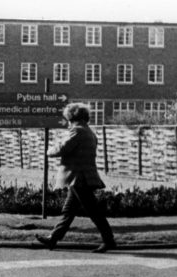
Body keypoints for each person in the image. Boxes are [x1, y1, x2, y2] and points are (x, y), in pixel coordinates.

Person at [36, 103, 117, 253]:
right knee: (69, 211)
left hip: (79, 177)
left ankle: (109, 240)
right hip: (83, 176)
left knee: (94, 212)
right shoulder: (89, 131)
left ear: (71, 117)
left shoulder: (77, 131)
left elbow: (63, 148)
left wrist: (48, 151)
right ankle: (52, 239)